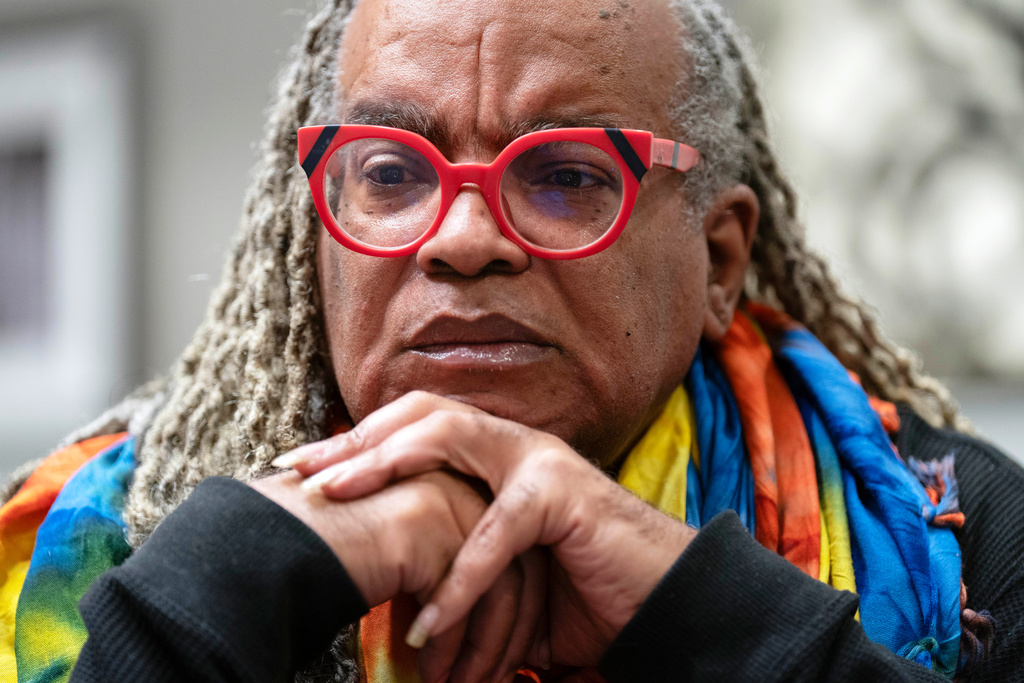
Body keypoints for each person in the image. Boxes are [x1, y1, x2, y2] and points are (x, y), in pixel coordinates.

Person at [0, 0, 1019, 681]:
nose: (461, 238)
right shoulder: (109, 539)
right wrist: (223, 585)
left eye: (567, 175)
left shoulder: (974, 534)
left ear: (717, 260)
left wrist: (699, 606)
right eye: (391, 173)